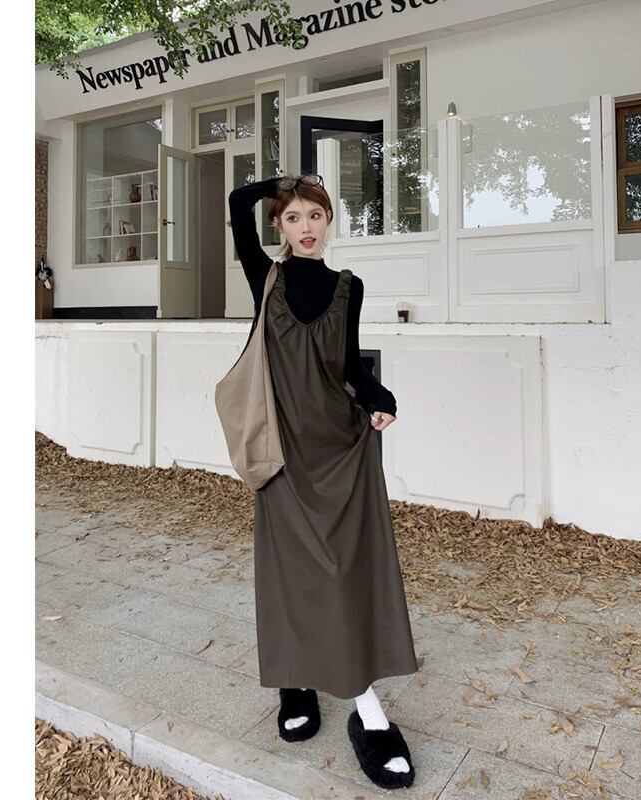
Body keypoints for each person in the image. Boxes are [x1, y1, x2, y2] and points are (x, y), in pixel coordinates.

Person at [228, 173, 419, 790]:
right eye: (293, 217)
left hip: (339, 446)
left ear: (330, 221)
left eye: (316, 215)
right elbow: (237, 202)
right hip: (283, 451)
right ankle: (296, 683)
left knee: (343, 571)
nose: (306, 227)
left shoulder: (348, 287)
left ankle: (366, 709)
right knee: (290, 571)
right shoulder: (266, 277)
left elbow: (349, 365)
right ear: (278, 226)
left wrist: (379, 396)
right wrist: (282, 184)